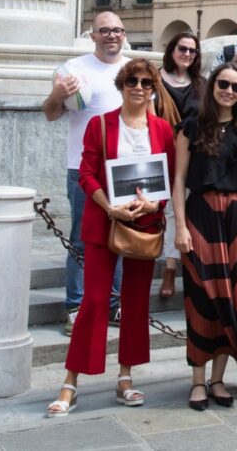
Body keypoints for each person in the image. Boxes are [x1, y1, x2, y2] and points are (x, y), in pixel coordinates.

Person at [46, 59, 176, 416]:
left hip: (144, 224)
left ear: (153, 89)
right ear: (122, 85)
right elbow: (86, 173)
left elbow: (169, 177)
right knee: (93, 301)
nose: (139, 87)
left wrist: (155, 204)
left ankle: (125, 377)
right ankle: (71, 382)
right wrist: (110, 207)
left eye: (146, 82)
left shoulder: (163, 130)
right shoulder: (100, 124)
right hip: (105, 221)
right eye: (132, 81)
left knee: (135, 302)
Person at [173, 63, 237, 410]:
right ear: (213, 85)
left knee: (236, 299)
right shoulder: (191, 127)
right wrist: (180, 226)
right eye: (223, 84)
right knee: (203, 298)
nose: (229, 91)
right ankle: (198, 380)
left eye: (236, 87)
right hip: (202, 216)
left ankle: (218, 380)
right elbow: (179, 180)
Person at [42, 12, 129, 336]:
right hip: (83, 168)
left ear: (124, 35)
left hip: (122, 168)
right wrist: (57, 95)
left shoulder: (133, 70)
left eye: (117, 30)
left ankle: (114, 303)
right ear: (93, 36)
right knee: (81, 238)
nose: (111, 35)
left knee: (119, 238)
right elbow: (51, 114)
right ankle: (75, 306)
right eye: (104, 30)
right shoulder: (73, 70)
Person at [154, 32, 203, 300]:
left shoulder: (200, 84)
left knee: (182, 211)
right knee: (168, 212)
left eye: (192, 51)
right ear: (172, 49)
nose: (187, 54)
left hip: (192, 155)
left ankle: (177, 267)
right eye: (182, 48)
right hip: (160, 152)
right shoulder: (154, 79)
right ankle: (168, 267)